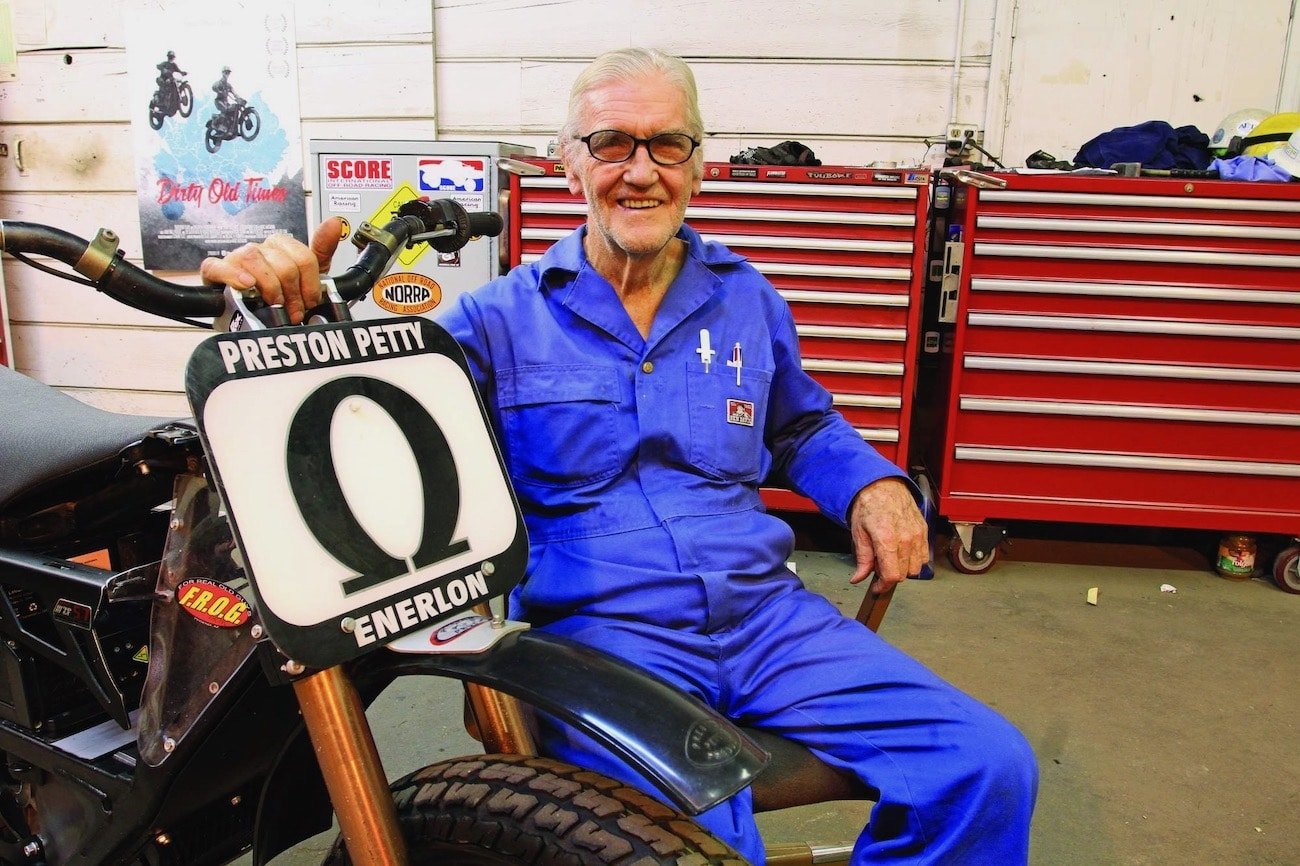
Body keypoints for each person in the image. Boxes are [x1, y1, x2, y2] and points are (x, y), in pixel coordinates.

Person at [201, 47, 1038, 864]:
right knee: (700, 833)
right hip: (607, 638)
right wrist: (283, 316)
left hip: (767, 619)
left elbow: (801, 427)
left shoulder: (745, 297)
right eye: (611, 144)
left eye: (666, 143)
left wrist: (873, 485)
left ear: (698, 165)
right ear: (570, 166)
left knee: (987, 770)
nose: (641, 170)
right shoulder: (494, 322)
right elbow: (366, 423)